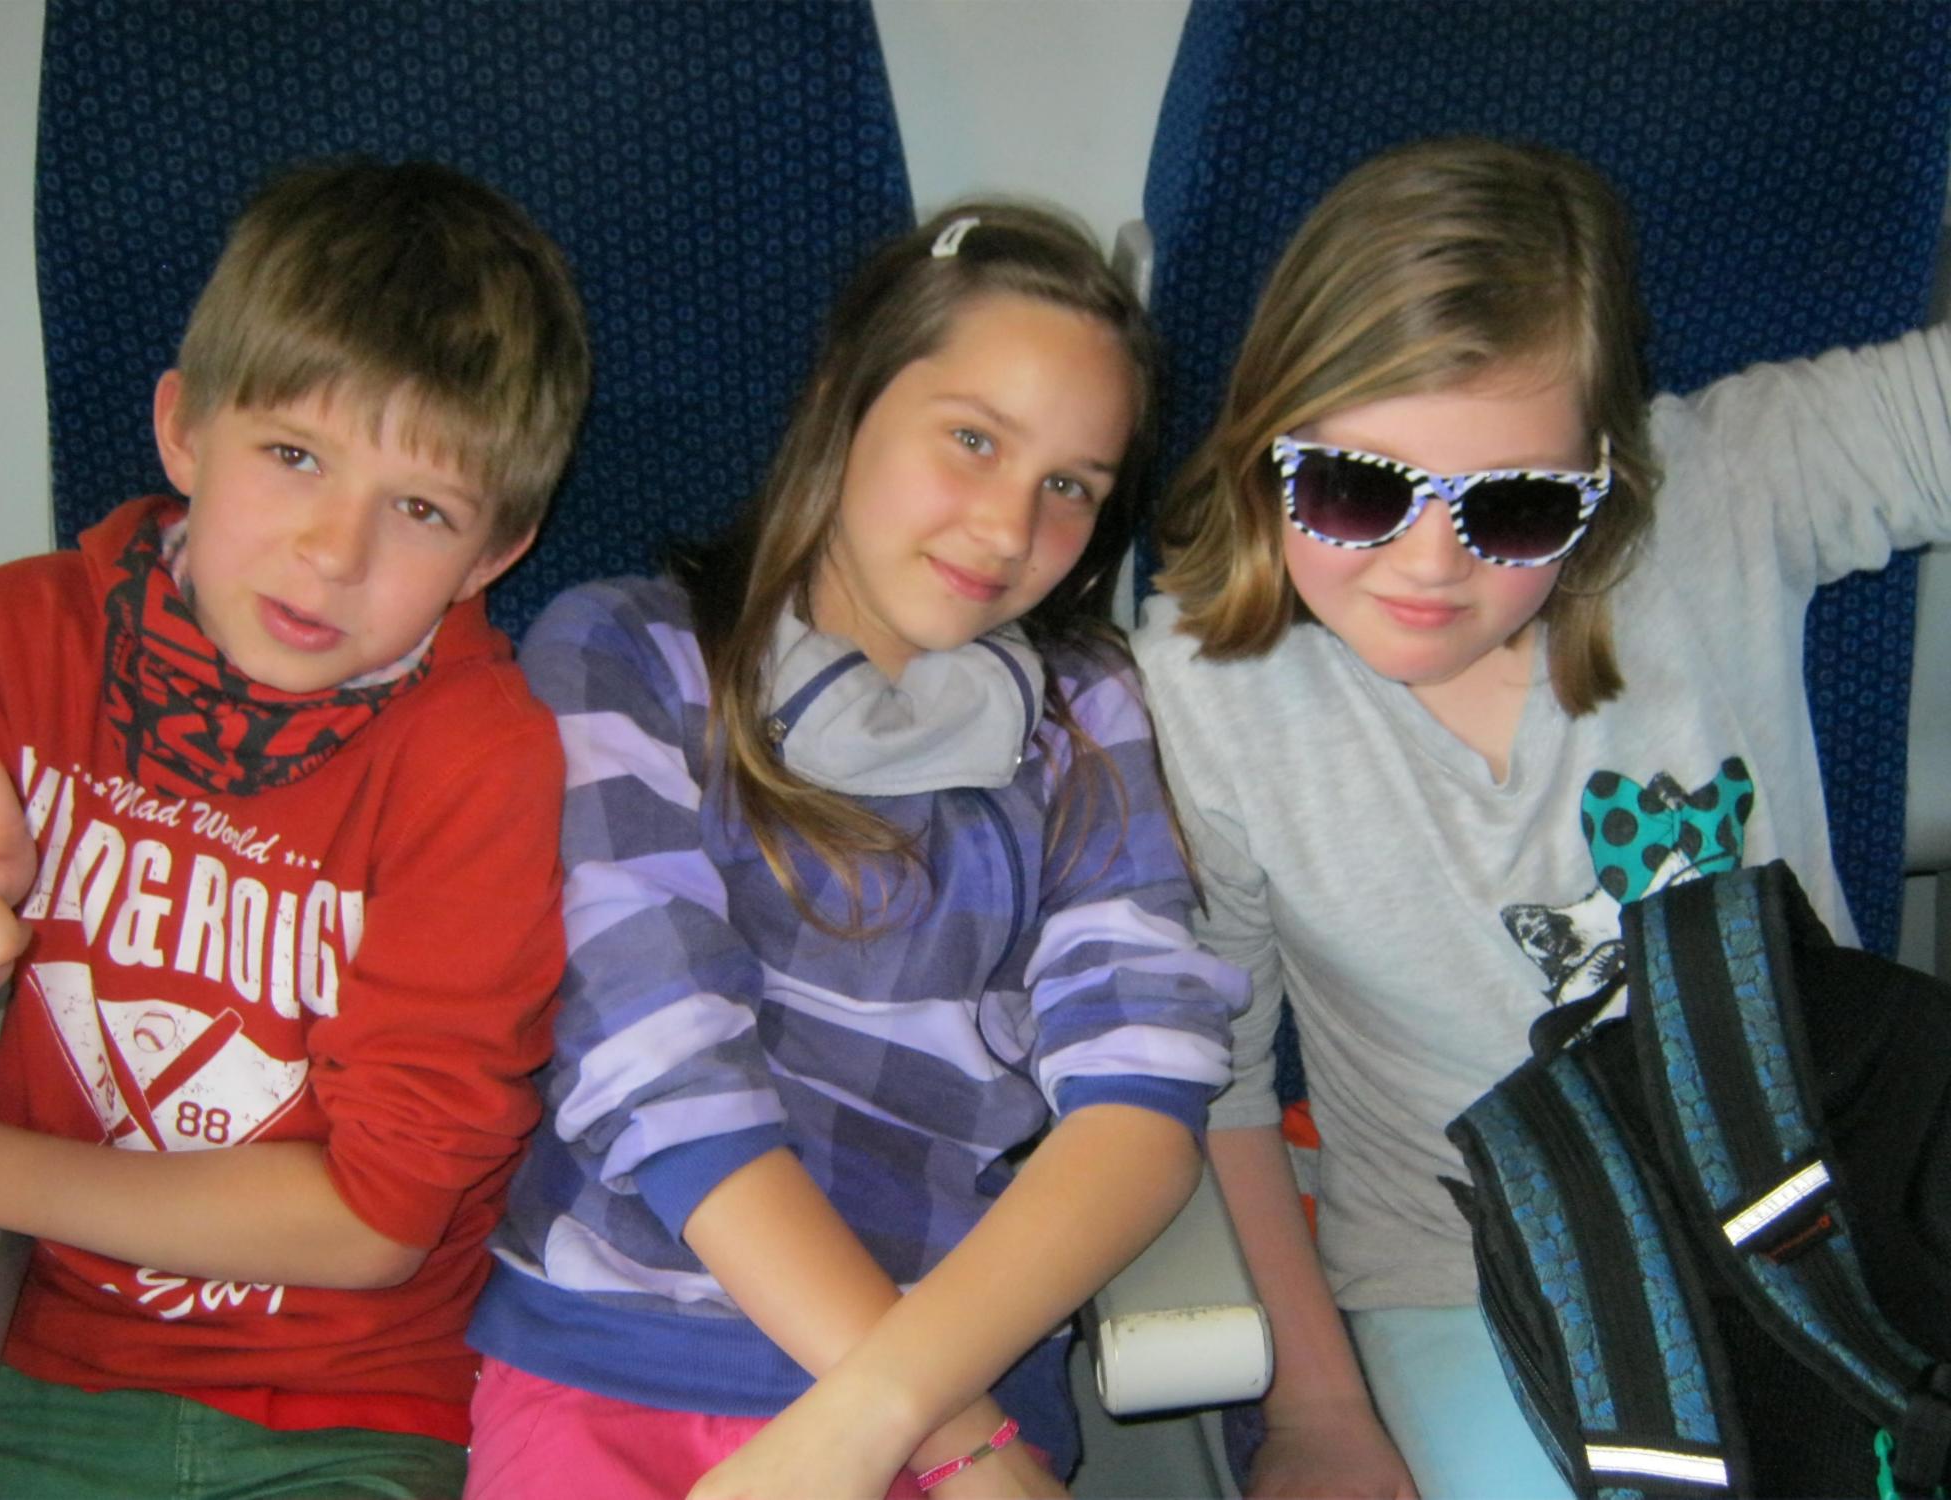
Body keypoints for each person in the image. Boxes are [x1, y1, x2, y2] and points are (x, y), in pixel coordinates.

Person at [1132, 136, 1951, 1499]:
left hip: (1823, 1197)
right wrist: (1318, 1407)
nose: (1427, 565)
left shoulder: (1726, 495)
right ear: (1267, 444)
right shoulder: (1201, 697)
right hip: (1477, 1269)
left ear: (1607, 474)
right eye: (1355, 487)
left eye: (1514, 507)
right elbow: (1221, 1081)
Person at [462, 201, 1243, 1500]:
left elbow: (1142, 1097)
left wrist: (892, 1420)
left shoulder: (1081, 706)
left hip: (960, 1354)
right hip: (625, 1356)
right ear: (845, 401)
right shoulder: (626, 654)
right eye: (973, 440)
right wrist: (945, 1439)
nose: (1009, 529)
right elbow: (663, 1078)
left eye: (1069, 487)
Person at [0, 157, 592, 1498]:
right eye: (294, 455)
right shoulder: (17, 640)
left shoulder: (480, 762)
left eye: (420, 509)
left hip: (347, 1408)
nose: (333, 552)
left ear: (491, 557)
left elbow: (369, 1223)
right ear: (185, 431)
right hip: (17, 1358)